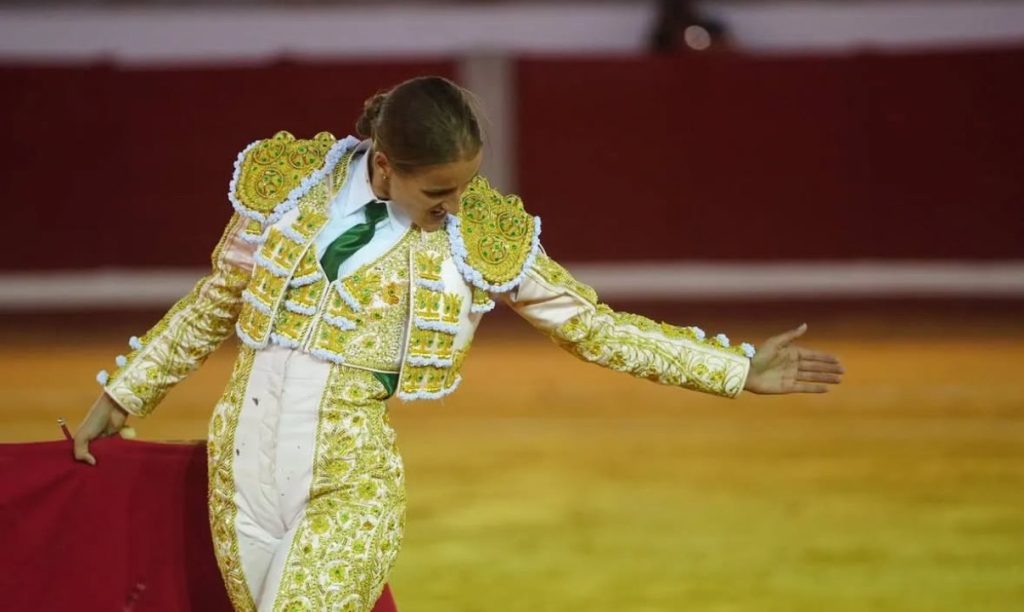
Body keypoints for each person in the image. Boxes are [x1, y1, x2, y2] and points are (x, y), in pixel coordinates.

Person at [73, 75, 844, 611]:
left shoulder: (477, 234)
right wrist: (124, 393)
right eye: (438, 190)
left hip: (349, 482)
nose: (456, 204)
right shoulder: (291, 188)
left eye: (466, 185)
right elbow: (215, 303)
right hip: (239, 473)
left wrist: (734, 368)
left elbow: (590, 325)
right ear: (385, 164)